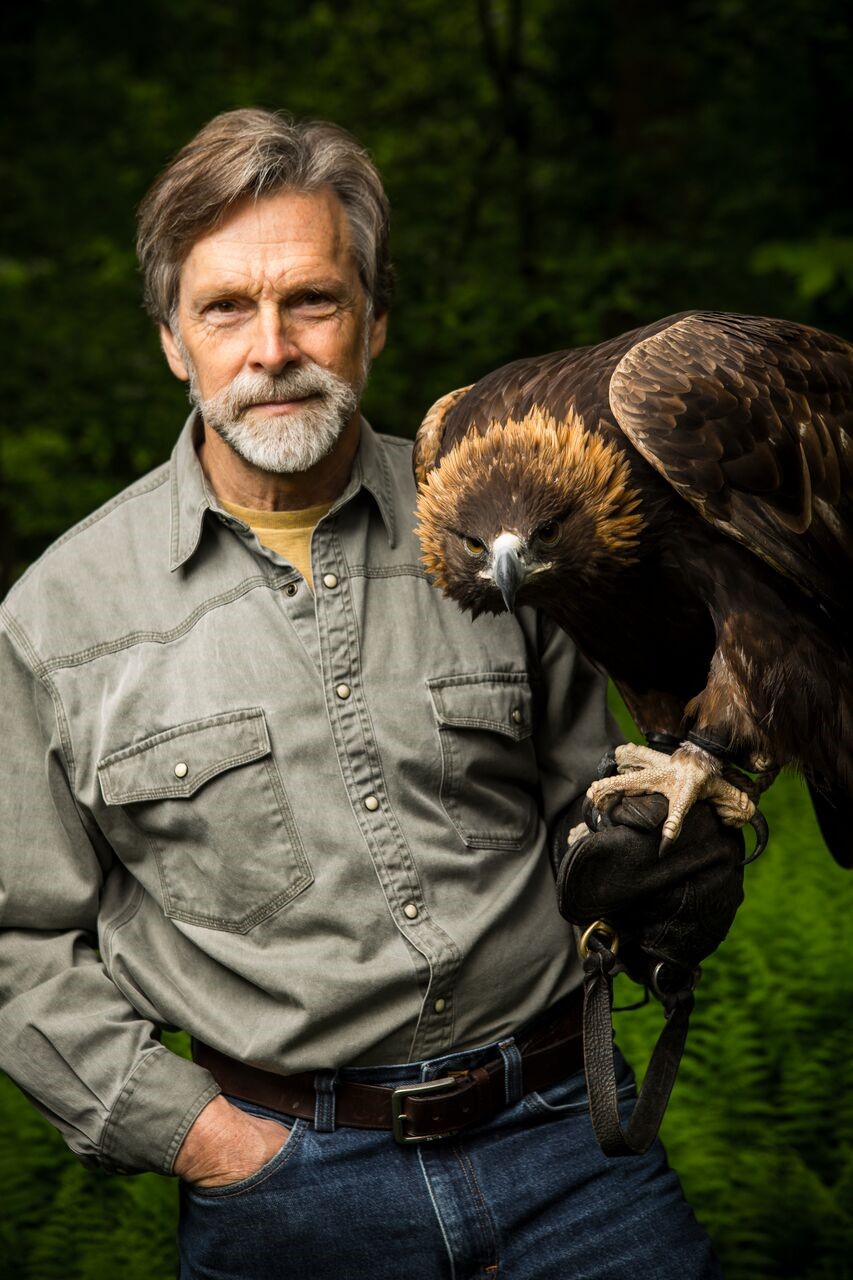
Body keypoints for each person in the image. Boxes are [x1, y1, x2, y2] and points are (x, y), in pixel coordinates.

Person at [0, 108, 723, 1278]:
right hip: (286, 1189)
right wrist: (203, 1138)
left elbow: (599, 805)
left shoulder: (506, 525)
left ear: (374, 321)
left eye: (313, 301)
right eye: (225, 308)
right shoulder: (58, 619)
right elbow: (18, 942)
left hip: (569, 1150)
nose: (270, 345)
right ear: (173, 341)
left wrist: (670, 837)